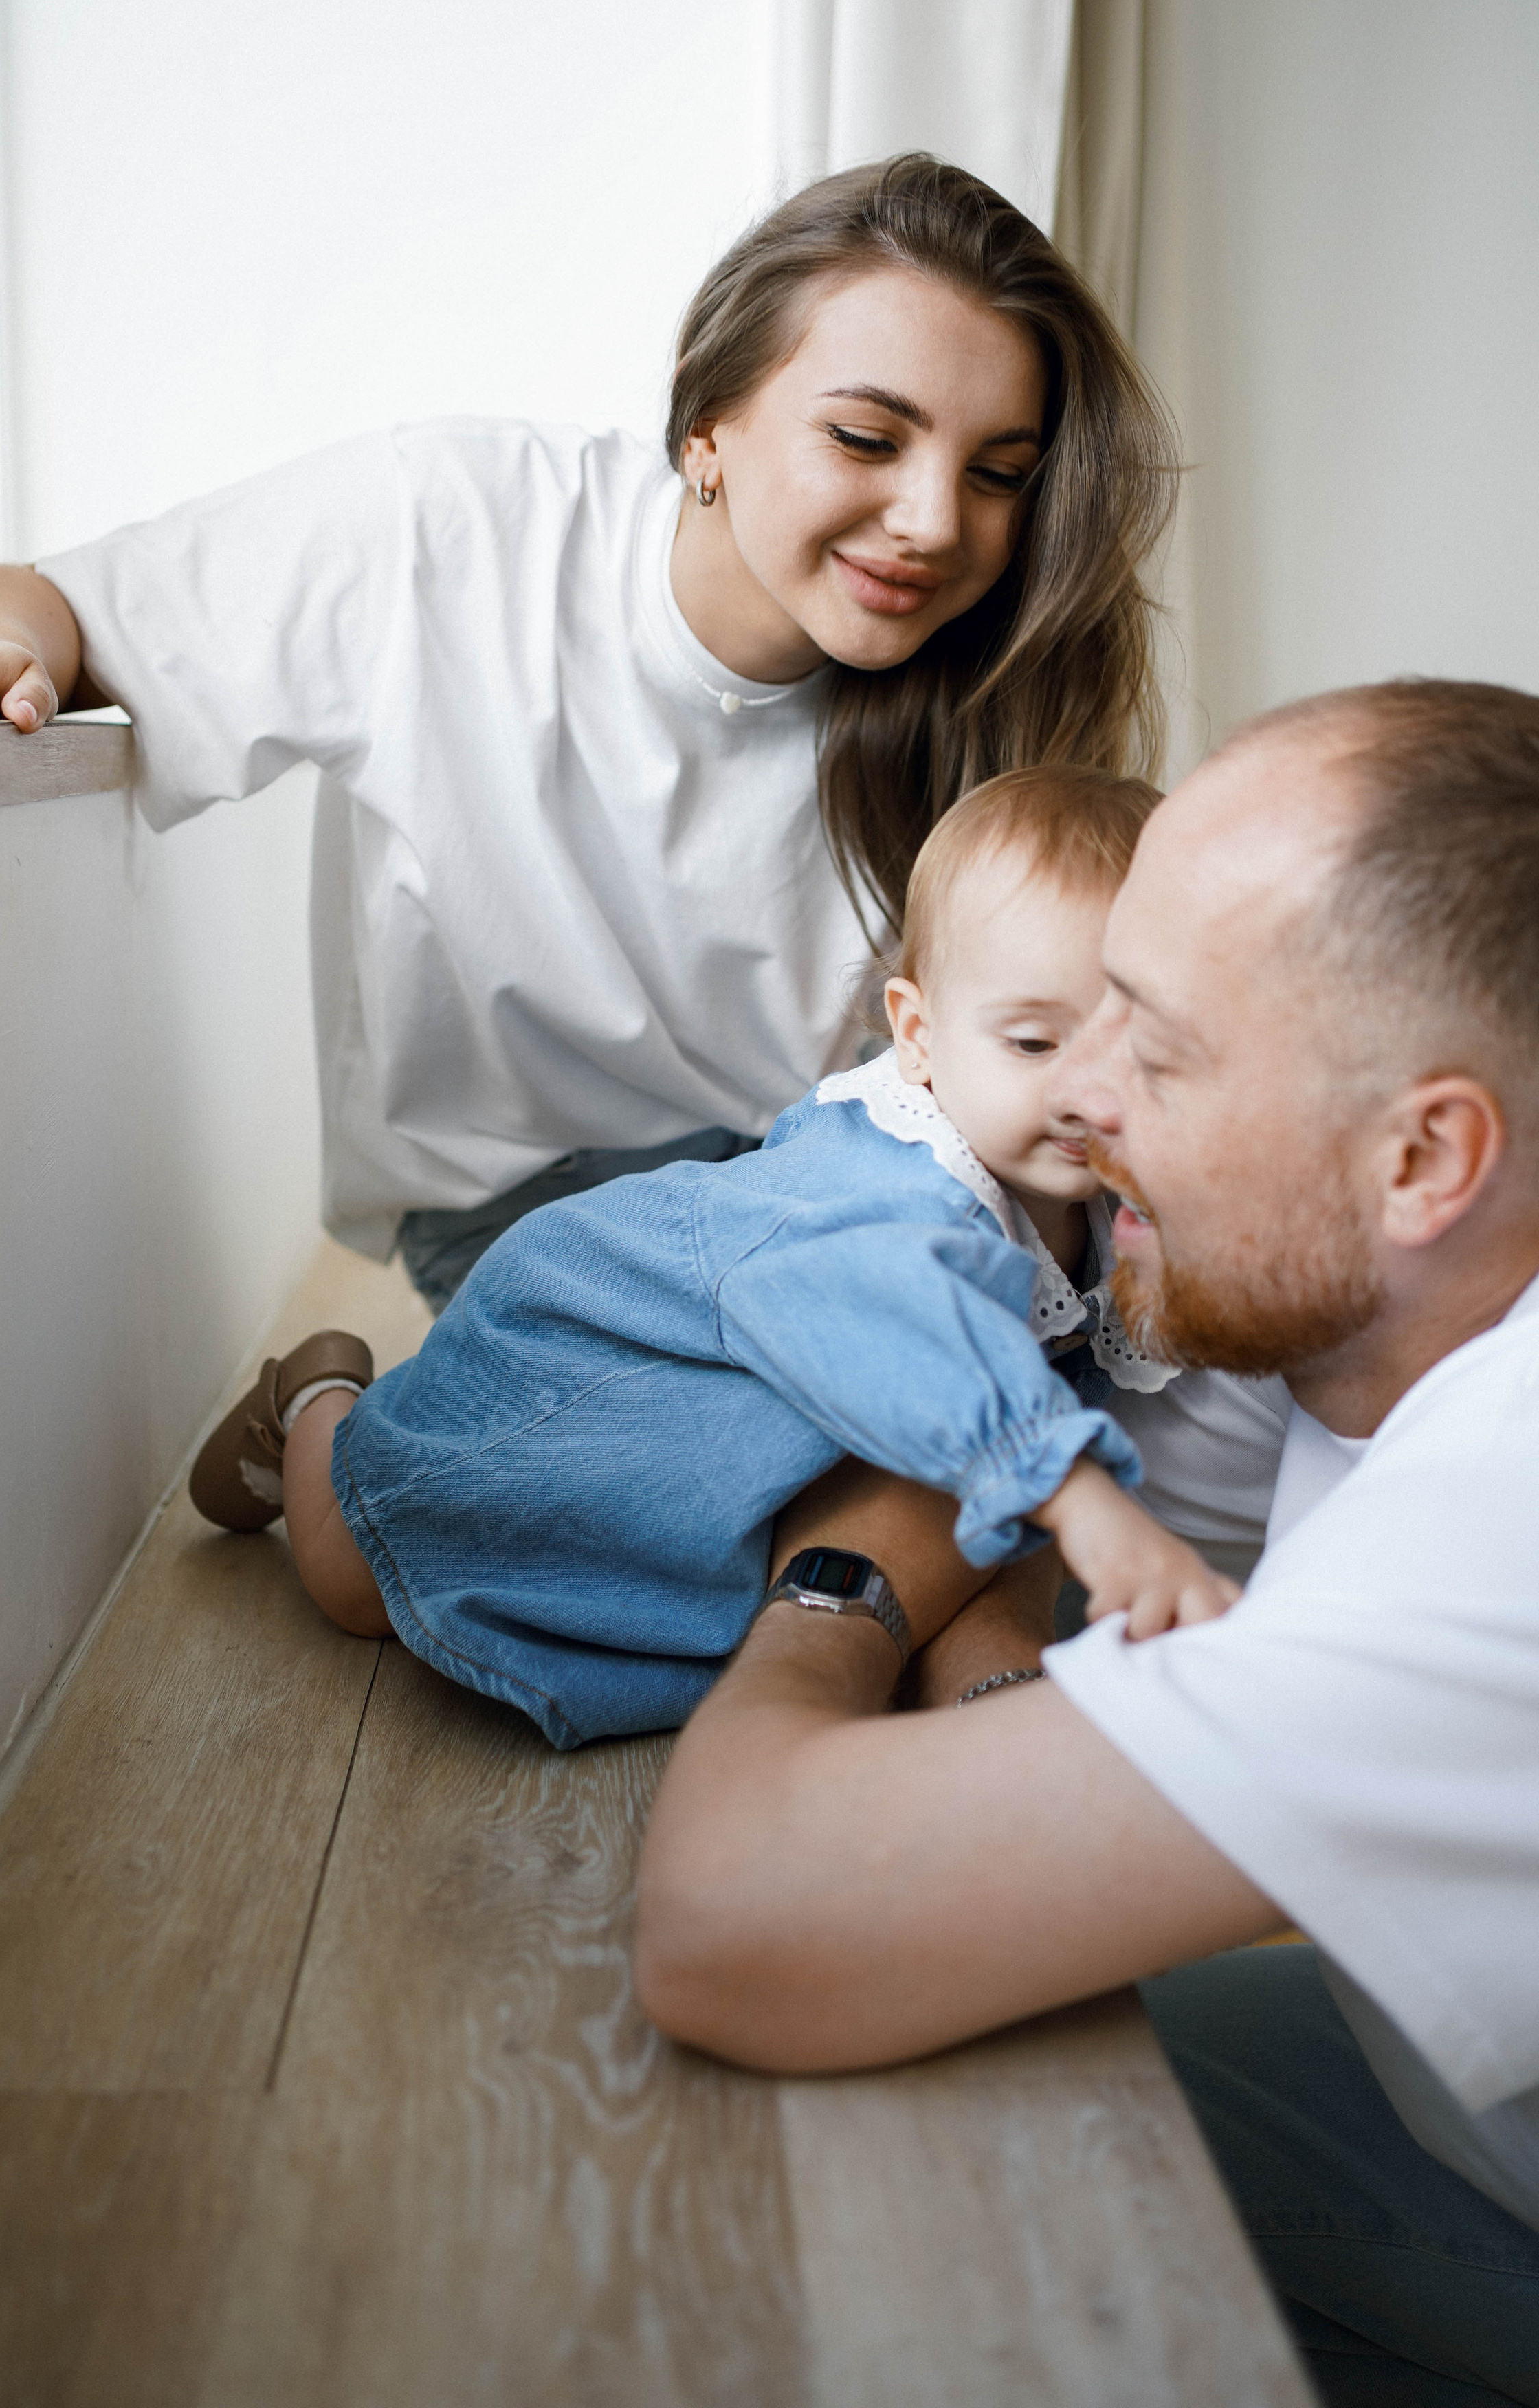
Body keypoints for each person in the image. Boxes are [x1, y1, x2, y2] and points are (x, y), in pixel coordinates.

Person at [0, 157, 1173, 1315]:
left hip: (834, 1189)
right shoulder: (447, 531)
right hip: (513, 1201)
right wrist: (2, 655)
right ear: (707, 421)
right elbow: (47, 603)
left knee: (991, 1405)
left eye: (998, 475)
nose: (936, 523)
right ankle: (332, 1434)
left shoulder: (1002, 680)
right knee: (829, 1458)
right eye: (868, 439)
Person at [633, 678, 1539, 2407]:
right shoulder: (1345, 1318)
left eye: (1165, 1049)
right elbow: (1028, 1533)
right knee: (983, 2070)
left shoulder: (1486, 1536)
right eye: (1087, 1007)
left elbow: (728, 1922)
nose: (1083, 1097)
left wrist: (836, 1582)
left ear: (1423, 1154)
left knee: (914, 2177)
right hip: (1436, 2095)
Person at [184, 764, 1238, 1745]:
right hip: (570, 1386)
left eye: (1134, 1050)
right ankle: (316, 1400)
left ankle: (980, 1713)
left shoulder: (1076, 1195)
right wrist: (1083, 1501)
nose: (1084, 1094)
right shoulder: (884, 1189)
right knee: (353, 1575)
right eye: (1033, 1043)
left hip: (726, 1456)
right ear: (917, 1034)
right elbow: (913, 1321)